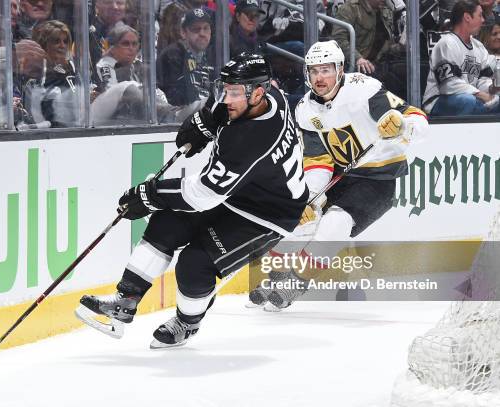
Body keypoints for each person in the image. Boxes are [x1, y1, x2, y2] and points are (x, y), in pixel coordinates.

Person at [76, 53, 308, 348]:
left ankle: (187, 324)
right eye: (225, 89)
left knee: (195, 263)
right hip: (241, 190)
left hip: (267, 214)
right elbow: (222, 111)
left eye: (234, 93)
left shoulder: (253, 138)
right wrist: (209, 120)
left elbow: (204, 194)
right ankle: (125, 301)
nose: (226, 98)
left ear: (258, 93)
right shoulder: (267, 95)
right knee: (167, 222)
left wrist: (151, 195)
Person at [248, 40, 429, 310]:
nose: (320, 77)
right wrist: (311, 199)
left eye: (326, 70)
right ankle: (276, 278)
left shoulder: (365, 90)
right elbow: (317, 159)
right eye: (314, 71)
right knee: (300, 220)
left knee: (336, 224)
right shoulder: (305, 110)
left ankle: (296, 283)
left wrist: (403, 126)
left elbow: (419, 119)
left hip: (378, 180)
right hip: (341, 177)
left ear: (340, 69)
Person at [423, 0, 500, 116]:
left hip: (472, 98)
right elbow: (448, 85)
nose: (483, 20)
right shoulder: (446, 43)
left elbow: (482, 80)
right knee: (467, 101)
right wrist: (483, 95)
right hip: (439, 101)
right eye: (479, 15)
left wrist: (492, 88)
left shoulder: (479, 47)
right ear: (467, 17)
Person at [157, 8, 215, 116]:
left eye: (206, 28)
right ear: (183, 33)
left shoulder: (213, 55)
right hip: (179, 115)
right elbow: (176, 98)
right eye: (196, 29)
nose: (202, 33)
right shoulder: (173, 54)